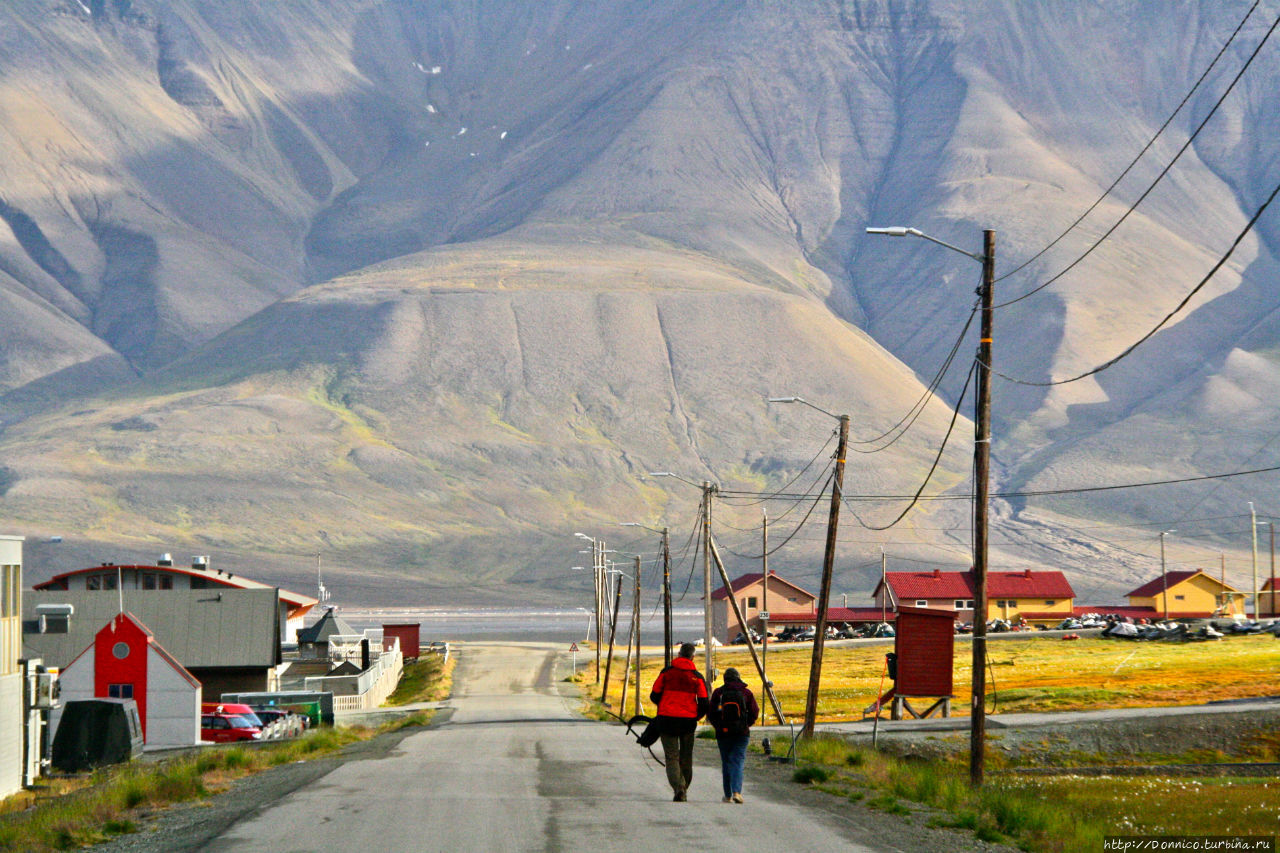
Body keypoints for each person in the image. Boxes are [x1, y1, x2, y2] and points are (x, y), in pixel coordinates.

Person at [648, 642, 708, 801]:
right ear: (693, 657)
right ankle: (684, 787)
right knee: (686, 756)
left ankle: (678, 788)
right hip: (688, 722)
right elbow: (704, 702)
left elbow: (654, 695)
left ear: (679, 654)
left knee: (671, 757)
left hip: (667, 720)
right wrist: (695, 716)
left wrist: (664, 705)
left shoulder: (666, 673)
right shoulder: (697, 677)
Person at [707, 667, 759, 803]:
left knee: (726, 763)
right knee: (738, 761)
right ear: (738, 677)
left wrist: (719, 727)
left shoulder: (719, 693)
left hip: (723, 734)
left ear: (725, 679)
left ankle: (728, 795)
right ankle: (737, 792)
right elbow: (754, 712)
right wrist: (746, 725)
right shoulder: (746, 692)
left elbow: (711, 713)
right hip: (741, 734)